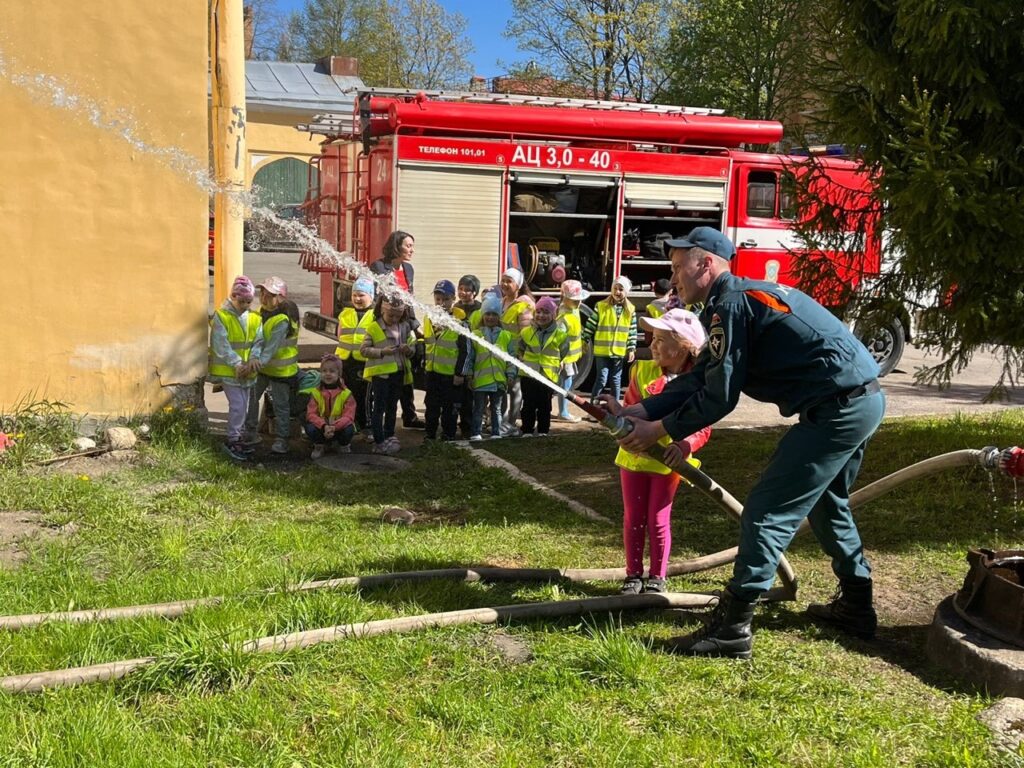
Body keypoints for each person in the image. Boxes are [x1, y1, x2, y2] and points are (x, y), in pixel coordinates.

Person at [616, 226, 884, 659]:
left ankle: (733, 627)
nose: (674, 278)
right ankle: (856, 605)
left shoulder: (730, 304)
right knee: (827, 504)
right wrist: (641, 411)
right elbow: (703, 377)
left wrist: (660, 429)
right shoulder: (730, 302)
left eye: (678, 267)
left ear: (705, 264)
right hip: (857, 401)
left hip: (838, 408)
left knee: (765, 511)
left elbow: (720, 397)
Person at [607, 309, 711, 595]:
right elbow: (630, 410)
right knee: (633, 516)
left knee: (658, 518)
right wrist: (620, 420)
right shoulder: (642, 371)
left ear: (684, 346)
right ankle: (632, 575)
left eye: (662, 339)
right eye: (653, 338)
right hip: (635, 459)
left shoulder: (698, 382)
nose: (652, 344)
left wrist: (684, 445)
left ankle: (657, 576)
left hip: (669, 462)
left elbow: (702, 424)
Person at [370, 230, 425, 429]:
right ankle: (375, 421)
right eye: (408, 245)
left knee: (405, 371)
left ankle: (409, 415)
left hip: (403, 325)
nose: (412, 250)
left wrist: (415, 326)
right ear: (396, 246)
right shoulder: (378, 267)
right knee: (385, 374)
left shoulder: (408, 269)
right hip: (385, 325)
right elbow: (376, 299)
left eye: (412, 246)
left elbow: (409, 301)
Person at [208, 276, 263, 460]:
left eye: (249, 302)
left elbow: (259, 340)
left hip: (247, 371)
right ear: (233, 296)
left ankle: (238, 437)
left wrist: (254, 358)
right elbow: (220, 344)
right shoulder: (221, 316)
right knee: (238, 406)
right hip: (230, 371)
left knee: (244, 406)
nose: (246, 305)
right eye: (242, 301)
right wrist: (237, 363)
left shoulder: (254, 318)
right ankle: (233, 439)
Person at [244, 276, 299, 454]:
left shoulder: (282, 320)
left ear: (280, 297)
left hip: (281, 371)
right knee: (251, 398)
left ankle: (282, 439)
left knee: (280, 405)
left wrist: (254, 364)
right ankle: (250, 432)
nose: (264, 297)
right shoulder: (262, 313)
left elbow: (270, 348)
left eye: (269, 294)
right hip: (263, 368)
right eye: (262, 293)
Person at [360, 295, 417, 455]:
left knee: (392, 406)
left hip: (398, 373)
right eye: (390, 315)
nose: (394, 319)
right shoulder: (374, 327)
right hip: (381, 375)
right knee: (379, 407)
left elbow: (413, 347)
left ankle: (390, 435)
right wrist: (382, 352)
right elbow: (363, 350)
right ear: (382, 310)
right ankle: (379, 440)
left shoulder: (404, 326)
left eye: (397, 316)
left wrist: (409, 350)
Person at [463, 294, 517, 441]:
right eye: (488, 314)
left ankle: (496, 433)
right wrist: (468, 375)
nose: (491, 317)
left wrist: (511, 375)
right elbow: (470, 356)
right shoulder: (476, 335)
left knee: (497, 409)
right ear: (483, 315)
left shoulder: (506, 336)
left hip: (499, 380)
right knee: (479, 408)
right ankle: (476, 433)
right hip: (480, 380)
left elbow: (511, 358)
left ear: (499, 316)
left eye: (494, 314)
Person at [423, 279, 469, 442]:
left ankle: (448, 435)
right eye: (438, 299)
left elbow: (466, 351)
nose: (441, 303)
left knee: (450, 408)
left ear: (453, 300)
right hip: (432, 372)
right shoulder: (429, 318)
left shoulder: (460, 323)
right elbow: (428, 344)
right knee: (431, 406)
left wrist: (460, 373)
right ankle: (429, 434)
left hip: (451, 375)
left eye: (445, 299)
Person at [518, 296, 567, 437]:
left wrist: (557, 362)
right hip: (529, 374)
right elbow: (520, 348)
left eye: (546, 312)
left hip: (548, 374)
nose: (541, 315)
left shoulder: (560, 335)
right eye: (538, 312)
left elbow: (564, 351)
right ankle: (527, 429)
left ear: (553, 315)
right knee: (528, 403)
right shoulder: (526, 332)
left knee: (545, 404)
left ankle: (543, 430)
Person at [584, 275, 637, 404]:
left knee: (615, 379)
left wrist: (631, 348)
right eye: (615, 288)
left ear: (626, 292)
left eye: (621, 289)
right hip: (602, 351)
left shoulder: (630, 310)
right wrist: (584, 339)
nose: (617, 292)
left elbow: (632, 331)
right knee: (602, 378)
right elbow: (591, 324)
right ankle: (594, 406)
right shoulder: (601, 306)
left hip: (618, 351)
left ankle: (615, 408)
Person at [335, 276, 376, 440]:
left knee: (364, 396)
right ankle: (349, 423)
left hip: (364, 362)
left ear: (371, 296)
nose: (357, 299)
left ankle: (366, 425)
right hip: (345, 361)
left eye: (362, 295)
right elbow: (339, 335)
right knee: (346, 394)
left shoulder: (375, 315)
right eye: (355, 295)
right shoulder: (345, 314)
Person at [498, 268, 535, 436]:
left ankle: (511, 423)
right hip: (501, 352)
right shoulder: (502, 301)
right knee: (504, 387)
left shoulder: (524, 305)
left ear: (518, 285)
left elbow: (526, 333)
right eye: (503, 280)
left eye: (509, 281)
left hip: (515, 355)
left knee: (514, 389)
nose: (504, 284)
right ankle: (502, 422)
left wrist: (519, 355)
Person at [305, 354, 356, 459]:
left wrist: (334, 427)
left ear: (339, 374)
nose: (327, 374)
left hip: (338, 428)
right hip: (322, 428)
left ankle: (343, 445)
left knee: (349, 429)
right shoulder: (315, 393)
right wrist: (324, 426)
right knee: (309, 427)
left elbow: (349, 416)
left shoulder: (346, 394)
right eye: (324, 371)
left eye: (332, 371)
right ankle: (319, 446)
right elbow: (311, 414)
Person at [554, 279, 588, 422]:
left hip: (570, 356)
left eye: (579, 300)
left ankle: (564, 411)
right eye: (574, 300)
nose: (578, 303)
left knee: (567, 383)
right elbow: (558, 340)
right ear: (566, 299)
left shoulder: (572, 310)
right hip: (566, 358)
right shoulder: (564, 317)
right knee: (566, 385)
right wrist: (559, 358)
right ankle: (563, 412)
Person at [453, 274, 482, 438]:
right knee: (458, 394)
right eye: (461, 289)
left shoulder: (480, 309)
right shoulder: (454, 308)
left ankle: (468, 426)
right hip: (458, 357)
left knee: (470, 395)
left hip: (475, 358)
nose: (463, 293)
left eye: (468, 290)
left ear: (475, 292)